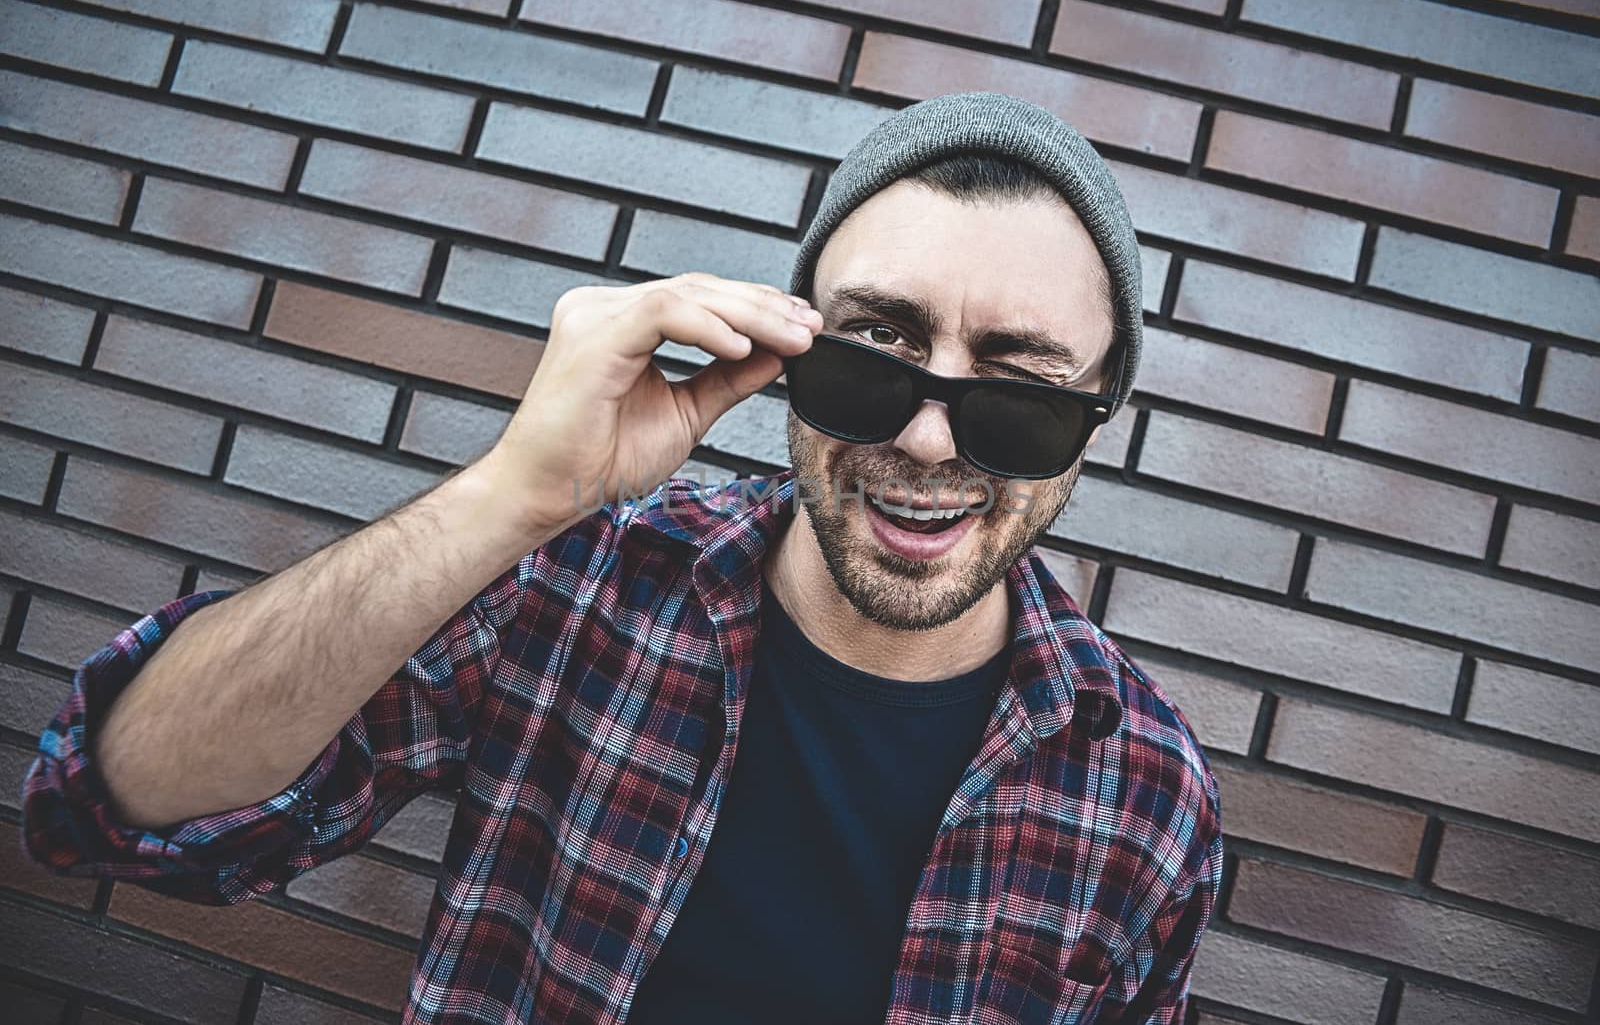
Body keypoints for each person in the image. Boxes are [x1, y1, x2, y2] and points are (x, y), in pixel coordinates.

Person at [20, 91, 1221, 1024]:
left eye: (1018, 397)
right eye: (871, 352)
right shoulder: (583, 575)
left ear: (1097, 422)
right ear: (785, 344)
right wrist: (512, 495)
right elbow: (115, 811)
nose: (923, 436)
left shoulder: (1145, 793)